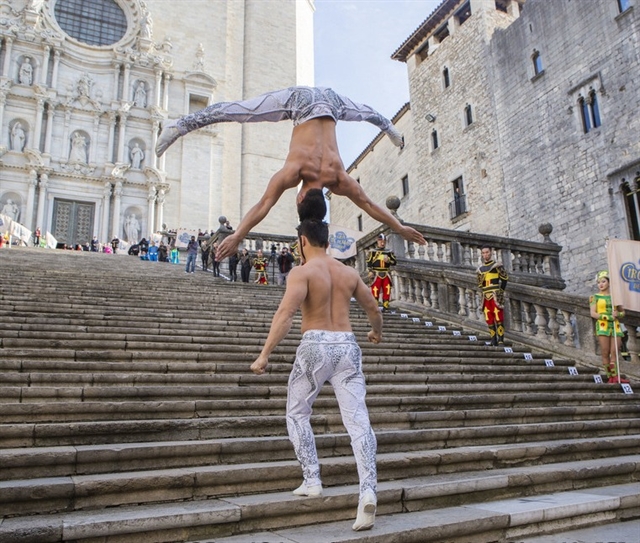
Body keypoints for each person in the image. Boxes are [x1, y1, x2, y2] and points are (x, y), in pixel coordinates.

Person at [155, 86, 426, 259]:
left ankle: (390, 129)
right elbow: (263, 205)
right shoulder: (296, 171)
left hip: (331, 103)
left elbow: (369, 205)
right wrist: (238, 235)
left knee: (366, 113)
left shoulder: (338, 178)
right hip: (300, 102)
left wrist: (399, 227)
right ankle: (178, 125)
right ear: (299, 199)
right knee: (241, 112)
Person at [250, 217, 383, 532]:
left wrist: (264, 354)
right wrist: (375, 333)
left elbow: (286, 313)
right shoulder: (348, 273)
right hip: (348, 347)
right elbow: (373, 309)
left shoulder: (302, 272)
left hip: (315, 346)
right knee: (358, 421)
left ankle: (312, 478)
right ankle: (368, 490)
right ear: (327, 241)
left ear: (303, 242)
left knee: (296, 412)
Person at [589, 270, 629, 384]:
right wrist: (608, 317)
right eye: (599, 282)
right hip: (603, 326)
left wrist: (618, 314)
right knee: (605, 352)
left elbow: (623, 312)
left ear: (609, 283)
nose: (600, 284)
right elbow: (593, 313)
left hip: (615, 326)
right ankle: (609, 376)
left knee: (615, 351)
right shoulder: (594, 297)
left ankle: (616, 376)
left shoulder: (615, 297)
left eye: (603, 281)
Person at [476, 245, 508, 346]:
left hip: (495, 295)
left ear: (491, 253)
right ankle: (493, 340)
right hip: (485, 296)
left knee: (499, 317)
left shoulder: (497, 266)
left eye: (487, 252)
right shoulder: (480, 269)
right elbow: (480, 284)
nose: (485, 254)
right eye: (483, 253)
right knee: (489, 318)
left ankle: (501, 340)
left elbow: (504, 279)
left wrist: (501, 292)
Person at [366, 233, 397, 311]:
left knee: (387, 289)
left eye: (384, 241)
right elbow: (369, 262)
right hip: (376, 273)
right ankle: (375, 305)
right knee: (375, 289)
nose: (382, 243)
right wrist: (370, 271)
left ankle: (386, 305)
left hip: (386, 273)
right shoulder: (373, 252)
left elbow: (394, 262)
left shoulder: (389, 252)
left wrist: (389, 260)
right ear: (377, 242)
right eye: (381, 241)